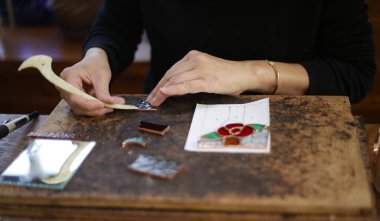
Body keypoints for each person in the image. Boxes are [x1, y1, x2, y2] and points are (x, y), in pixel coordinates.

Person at [59, 0, 376, 116]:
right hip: (166, 119)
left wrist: (252, 73)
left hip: (287, 126)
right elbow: (116, 26)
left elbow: (353, 73)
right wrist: (96, 58)